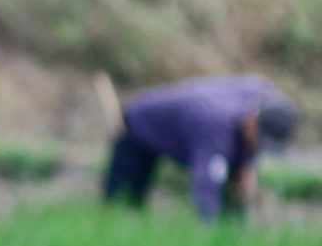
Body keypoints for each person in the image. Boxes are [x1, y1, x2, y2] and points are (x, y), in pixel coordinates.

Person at [104, 75, 297, 222]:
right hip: (141, 127)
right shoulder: (216, 123)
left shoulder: (266, 98)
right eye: (258, 140)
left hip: (196, 126)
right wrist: (206, 228)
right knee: (124, 203)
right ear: (251, 121)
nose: (258, 148)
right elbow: (207, 184)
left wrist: (247, 166)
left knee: (236, 193)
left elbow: (245, 160)